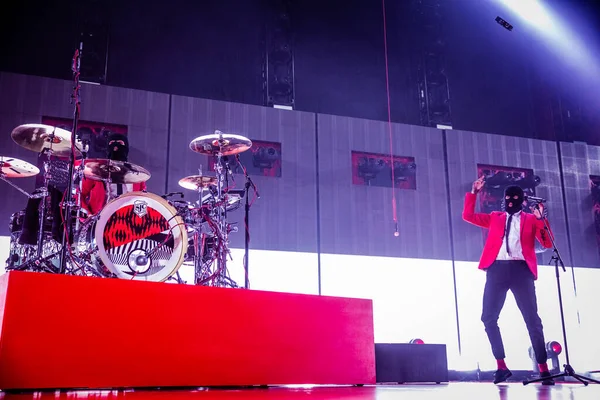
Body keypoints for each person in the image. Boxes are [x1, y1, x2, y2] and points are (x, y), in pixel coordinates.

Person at [463, 176, 555, 385]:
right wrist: (474, 193)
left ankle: (543, 369)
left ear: (522, 200)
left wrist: (541, 219)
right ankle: (501, 366)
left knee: (532, 320)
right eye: (507, 198)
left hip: (521, 271)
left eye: (515, 198)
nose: (510, 201)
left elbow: (547, 243)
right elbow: (467, 215)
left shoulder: (531, 219)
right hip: (496, 270)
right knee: (488, 317)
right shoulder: (495, 217)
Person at [80, 133, 146, 215]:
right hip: (100, 219)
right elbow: (80, 194)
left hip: (128, 220)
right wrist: (88, 215)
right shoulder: (96, 171)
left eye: (120, 143)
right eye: (112, 143)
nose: (115, 146)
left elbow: (143, 200)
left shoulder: (137, 176)